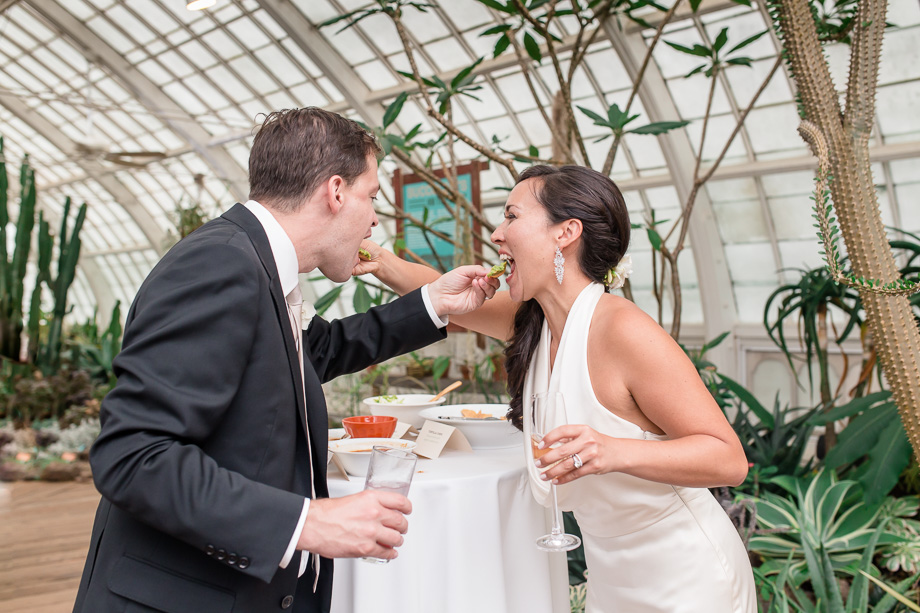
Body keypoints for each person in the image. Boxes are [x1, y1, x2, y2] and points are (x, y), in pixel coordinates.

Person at [72, 107, 498, 613]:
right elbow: (133, 456)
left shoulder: (259, 263)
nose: (376, 218)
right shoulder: (221, 266)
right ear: (336, 192)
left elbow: (317, 350)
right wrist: (308, 522)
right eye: (373, 196)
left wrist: (434, 305)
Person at [357, 164, 756, 612]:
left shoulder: (624, 331)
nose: (496, 234)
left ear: (565, 232)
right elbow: (441, 296)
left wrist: (613, 451)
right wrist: (373, 257)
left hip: (686, 576)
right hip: (609, 575)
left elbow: (728, 459)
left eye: (511, 217)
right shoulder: (533, 322)